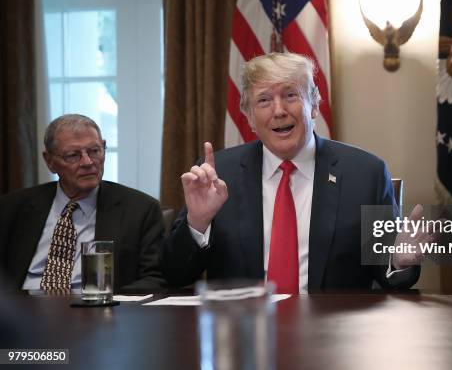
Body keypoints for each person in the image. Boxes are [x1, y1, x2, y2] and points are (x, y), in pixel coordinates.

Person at [160, 52, 420, 293]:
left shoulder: (365, 174)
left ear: (314, 104)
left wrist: (397, 261)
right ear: (248, 116)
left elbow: (388, 274)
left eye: (290, 95)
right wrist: (198, 223)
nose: (279, 110)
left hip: (334, 333)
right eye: (263, 100)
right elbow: (175, 275)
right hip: (245, 333)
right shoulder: (219, 175)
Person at [0, 114, 165, 292]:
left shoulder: (140, 209)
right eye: (73, 155)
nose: (87, 162)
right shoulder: (12, 208)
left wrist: (110, 302)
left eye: (95, 151)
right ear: (50, 161)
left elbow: (155, 278)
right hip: (22, 309)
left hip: (97, 310)